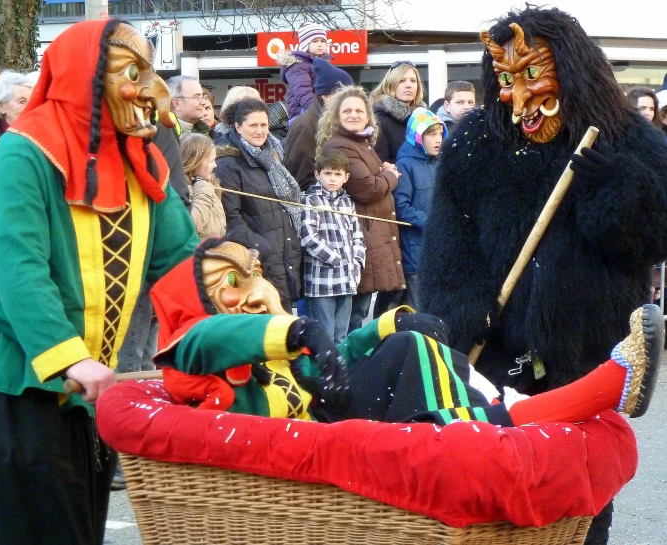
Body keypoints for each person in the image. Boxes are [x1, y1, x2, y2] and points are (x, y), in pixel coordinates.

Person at [0, 20, 198, 545]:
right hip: (10, 381)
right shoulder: (22, 156)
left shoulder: (139, 159)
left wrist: (239, 326)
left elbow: (179, 262)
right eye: (132, 72)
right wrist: (67, 355)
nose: (150, 89)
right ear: (88, 78)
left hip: (87, 386)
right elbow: (18, 267)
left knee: (77, 525)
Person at [418, 8, 667, 544]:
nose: (519, 93)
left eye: (531, 73)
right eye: (506, 79)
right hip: (500, 349)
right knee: (504, 481)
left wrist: (616, 186)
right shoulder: (472, 142)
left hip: (586, 346)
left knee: (582, 487)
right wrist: (465, 310)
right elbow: (447, 244)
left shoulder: (626, 138)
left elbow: (655, 237)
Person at [149, 236, 662, 430]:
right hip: (315, 442)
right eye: (227, 288)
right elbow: (203, 338)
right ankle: (591, 394)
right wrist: (300, 328)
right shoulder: (203, 357)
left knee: (407, 342)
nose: (251, 292)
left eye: (251, 273)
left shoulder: (279, 353)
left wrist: (388, 321)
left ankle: (535, 403)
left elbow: (339, 355)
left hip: (334, 417)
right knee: (407, 354)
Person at [318, 86, 405, 331]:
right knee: (356, 312)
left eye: (359, 110)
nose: (353, 115)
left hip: (372, 232)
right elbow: (367, 188)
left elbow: (375, 178)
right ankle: (353, 363)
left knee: (362, 307)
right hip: (361, 235)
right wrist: (391, 175)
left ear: (368, 115)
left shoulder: (362, 143)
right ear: (336, 115)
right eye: (347, 110)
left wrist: (383, 172)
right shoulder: (342, 146)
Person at [214, 98, 302, 313]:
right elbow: (232, 219)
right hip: (258, 260)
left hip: (284, 254)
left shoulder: (272, 156)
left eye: (264, 125)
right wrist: (263, 247)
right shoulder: (228, 164)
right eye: (253, 125)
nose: (260, 131)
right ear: (237, 126)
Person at [300, 150, 365, 344]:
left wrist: (357, 261)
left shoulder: (347, 202)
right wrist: (336, 258)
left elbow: (357, 235)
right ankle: (324, 372)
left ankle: (341, 371)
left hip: (347, 279)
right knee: (324, 333)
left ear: (346, 177)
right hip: (322, 281)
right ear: (317, 174)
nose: (332, 179)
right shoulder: (310, 201)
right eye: (328, 173)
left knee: (341, 334)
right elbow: (309, 237)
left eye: (337, 174)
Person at [394, 108, 447, 311]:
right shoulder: (405, 165)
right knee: (420, 309)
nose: (438, 139)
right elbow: (401, 207)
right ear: (418, 137)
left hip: (439, 250)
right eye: (432, 134)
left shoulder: (439, 162)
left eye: (440, 134)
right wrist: (432, 223)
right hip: (415, 253)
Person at [284, 58, 353, 191]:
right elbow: (302, 178)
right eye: (344, 95)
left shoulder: (330, 120)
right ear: (326, 96)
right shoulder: (306, 125)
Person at [371, 60, 425, 164]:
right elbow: (381, 165)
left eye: (413, 81)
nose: (408, 85)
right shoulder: (379, 121)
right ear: (390, 85)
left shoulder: (425, 118)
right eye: (402, 81)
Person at [277, 22, 332, 121]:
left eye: (323, 41)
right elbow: (303, 92)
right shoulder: (297, 66)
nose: (320, 44)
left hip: (322, 112)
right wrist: (318, 112)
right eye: (315, 41)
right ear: (305, 44)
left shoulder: (325, 65)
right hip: (302, 114)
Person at [181, 133, 226, 240]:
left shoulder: (208, 183)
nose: (215, 165)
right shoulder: (185, 189)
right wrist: (202, 187)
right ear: (195, 162)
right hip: (196, 253)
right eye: (211, 161)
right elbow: (193, 225)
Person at [0, 70, 35, 138]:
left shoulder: (39, 131)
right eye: (22, 101)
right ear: (1, 107)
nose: (30, 107)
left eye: (32, 100)